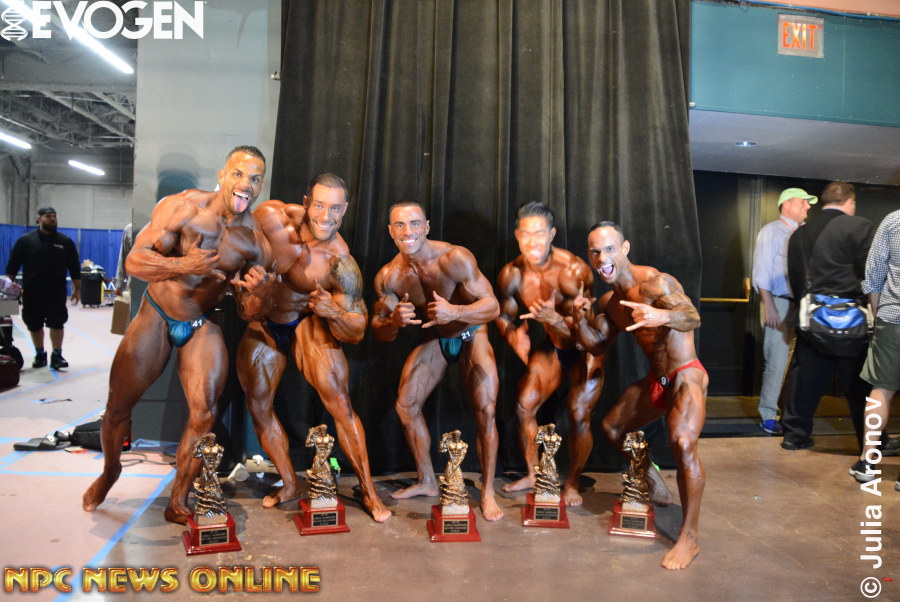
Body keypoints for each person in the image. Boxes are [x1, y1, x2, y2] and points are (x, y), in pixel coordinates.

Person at [82, 146, 275, 524]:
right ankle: (110, 472)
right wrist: (184, 264)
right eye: (238, 174)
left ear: (260, 185)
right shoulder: (183, 207)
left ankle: (178, 500)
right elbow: (135, 261)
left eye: (255, 178)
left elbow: (248, 312)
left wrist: (262, 297)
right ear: (222, 175)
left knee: (204, 412)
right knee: (117, 407)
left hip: (203, 320)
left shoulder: (254, 241)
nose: (246, 184)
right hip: (156, 311)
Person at [235, 173, 390, 522]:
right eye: (319, 205)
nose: (326, 215)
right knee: (258, 403)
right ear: (306, 203)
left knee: (339, 400)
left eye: (335, 208)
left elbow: (357, 330)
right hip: (263, 320)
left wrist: (333, 312)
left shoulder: (339, 261)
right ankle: (290, 483)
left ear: (345, 209)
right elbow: (235, 253)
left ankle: (368, 491)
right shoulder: (271, 218)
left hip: (305, 323)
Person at [569, 221, 708, 570]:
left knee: (683, 443)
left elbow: (692, 317)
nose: (602, 258)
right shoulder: (610, 302)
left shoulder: (656, 282)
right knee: (613, 428)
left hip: (685, 374)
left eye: (609, 249)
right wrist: (579, 322)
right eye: (595, 252)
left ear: (625, 248)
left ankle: (689, 537)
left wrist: (661, 314)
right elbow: (598, 345)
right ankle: (652, 476)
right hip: (655, 380)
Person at [371, 201, 504, 521]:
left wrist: (455, 311)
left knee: (486, 409)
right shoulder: (389, 277)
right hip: (436, 338)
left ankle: (488, 492)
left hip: (472, 333)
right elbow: (379, 331)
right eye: (399, 225)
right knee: (406, 406)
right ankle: (427, 480)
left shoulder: (455, 258)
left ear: (427, 227)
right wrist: (393, 323)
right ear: (390, 231)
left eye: (414, 223)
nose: (407, 231)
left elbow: (493, 307)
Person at [495, 201, 604, 505]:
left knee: (579, 414)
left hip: (585, 347)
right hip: (552, 347)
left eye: (540, 234)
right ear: (517, 235)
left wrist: (556, 320)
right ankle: (534, 474)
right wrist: (512, 335)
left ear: (552, 234)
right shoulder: (512, 275)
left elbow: (588, 332)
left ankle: (572, 483)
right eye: (526, 234)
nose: (533, 242)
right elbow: (503, 315)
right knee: (523, 406)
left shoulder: (574, 270)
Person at [782, 181, 873, 453]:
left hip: (811, 317)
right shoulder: (860, 227)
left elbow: (796, 277)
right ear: (850, 202)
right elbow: (870, 274)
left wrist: (806, 306)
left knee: (805, 378)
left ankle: (795, 435)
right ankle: (871, 441)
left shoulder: (800, 234)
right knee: (859, 384)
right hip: (851, 320)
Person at [751, 188, 817, 435]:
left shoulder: (804, 234)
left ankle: (792, 415)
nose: (807, 206)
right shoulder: (772, 231)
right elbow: (761, 271)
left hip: (803, 304)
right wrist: (768, 305)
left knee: (799, 362)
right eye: (803, 202)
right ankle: (768, 415)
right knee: (777, 362)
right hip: (779, 303)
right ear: (787, 204)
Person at [852, 208, 900, 486]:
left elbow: (874, 274)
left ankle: (867, 461)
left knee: (881, 390)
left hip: (892, 319)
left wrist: (878, 315)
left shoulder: (894, 220)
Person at [6, 206, 81, 370]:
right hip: (32, 292)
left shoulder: (65, 242)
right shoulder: (25, 241)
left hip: (56, 292)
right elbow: (12, 266)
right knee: (34, 324)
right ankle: (40, 354)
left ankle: (57, 355)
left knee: (57, 323)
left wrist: (77, 289)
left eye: (54, 216)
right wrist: (6, 290)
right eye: (48, 216)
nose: (52, 219)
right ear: (39, 219)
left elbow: (74, 267)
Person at [114, 222, 134, 295]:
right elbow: (123, 257)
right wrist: (119, 284)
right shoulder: (129, 229)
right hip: (133, 286)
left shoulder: (160, 227)